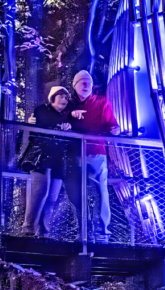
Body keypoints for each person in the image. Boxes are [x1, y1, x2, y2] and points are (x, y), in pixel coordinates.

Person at [65, 70, 120, 242]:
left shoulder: (102, 102)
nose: (85, 84)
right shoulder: (69, 104)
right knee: (76, 192)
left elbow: (113, 124)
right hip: (74, 154)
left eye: (88, 81)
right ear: (75, 86)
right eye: (81, 82)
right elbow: (57, 118)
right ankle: (81, 229)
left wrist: (115, 130)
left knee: (101, 190)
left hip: (96, 152)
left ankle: (103, 231)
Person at [20, 86, 72, 237]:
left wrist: (68, 125)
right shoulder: (42, 110)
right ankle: (28, 229)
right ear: (53, 97)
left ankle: (43, 231)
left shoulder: (66, 117)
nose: (64, 99)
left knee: (52, 196)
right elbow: (43, 122)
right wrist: (63, 125)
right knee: (40, 191)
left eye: (66, 97)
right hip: (41, 156)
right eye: (61, 96)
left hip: (57, 158)